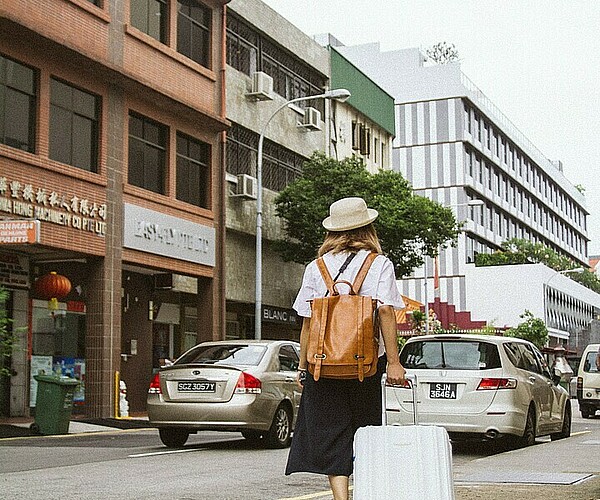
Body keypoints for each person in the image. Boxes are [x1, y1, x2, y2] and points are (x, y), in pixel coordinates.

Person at [285, 197, 406, 500]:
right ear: (367, 228)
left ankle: (342, 498)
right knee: (364, 431)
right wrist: (393, 362)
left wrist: (303, 365)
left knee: (330, 432)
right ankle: (363, 490)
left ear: (332, 232)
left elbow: (308, 322)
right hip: (364, 364)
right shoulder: (379, 264)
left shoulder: (317, 267)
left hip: (323, 365)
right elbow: (387, 312)